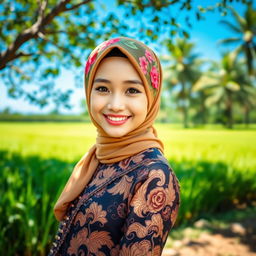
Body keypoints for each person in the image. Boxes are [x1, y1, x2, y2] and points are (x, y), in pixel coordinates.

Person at [49, 37, 180, 256]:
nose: (115, 105)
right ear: (88, 91)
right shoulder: (99, 156)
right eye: (102, 88)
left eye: (132, 91)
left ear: (152, 97)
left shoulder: (155, 176)